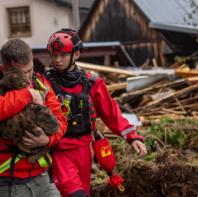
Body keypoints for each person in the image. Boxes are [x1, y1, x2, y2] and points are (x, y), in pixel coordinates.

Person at [43, 28, 148, 197]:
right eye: (54, 55)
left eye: (62, 54)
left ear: (76, 54)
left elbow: (111, 114)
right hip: (58, 151)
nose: (57, 59)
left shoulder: (93, 83)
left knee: (83, 193)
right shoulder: (43, 83)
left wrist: (133, 137)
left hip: (84, 150)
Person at [0, 39, 67, 197]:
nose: (27, 78)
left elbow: (60, 121)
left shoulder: (40, 83)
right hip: (4, 179)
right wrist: (26, 94)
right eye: (20, 73)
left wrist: (48, 140)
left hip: (41, 176)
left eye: (30, 70)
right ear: (3, 68)